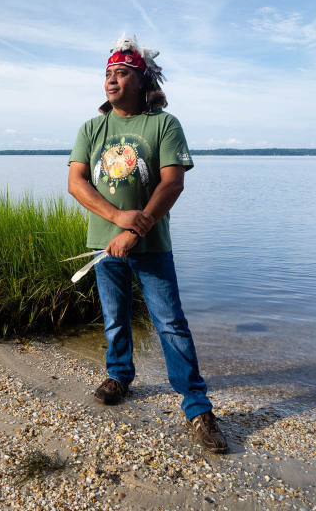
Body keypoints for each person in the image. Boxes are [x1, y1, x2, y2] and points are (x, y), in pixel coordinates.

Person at [66, 34, 227, 453]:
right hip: (103, 245)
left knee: (170, 323)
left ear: (141, 80)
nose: (111, 81)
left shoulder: (163, 125)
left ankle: (197, 407)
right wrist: (118, 219)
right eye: (107, 74)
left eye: (121, 74)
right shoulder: (92, 127)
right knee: (115, 318)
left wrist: (136, 229)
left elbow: (173, 183)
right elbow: (76, 182)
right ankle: (119, 376)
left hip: (151, 246)